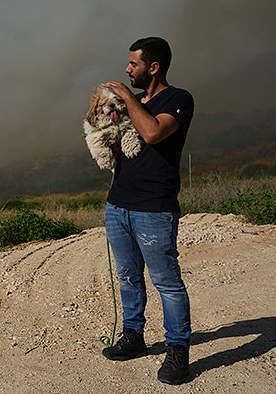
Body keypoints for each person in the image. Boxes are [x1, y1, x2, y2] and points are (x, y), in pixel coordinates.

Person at [100, 37, 194, 385]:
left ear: (153, 67)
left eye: (133, 65)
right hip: (118, 205)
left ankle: (178, 351)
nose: (127, 70)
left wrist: (126, 98)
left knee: (167, 283)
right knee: (127, 276)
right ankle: (134, 336)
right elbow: (120, 144)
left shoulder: (178, 99)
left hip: (154, 209)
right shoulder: (134, 103)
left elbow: (153, 133)